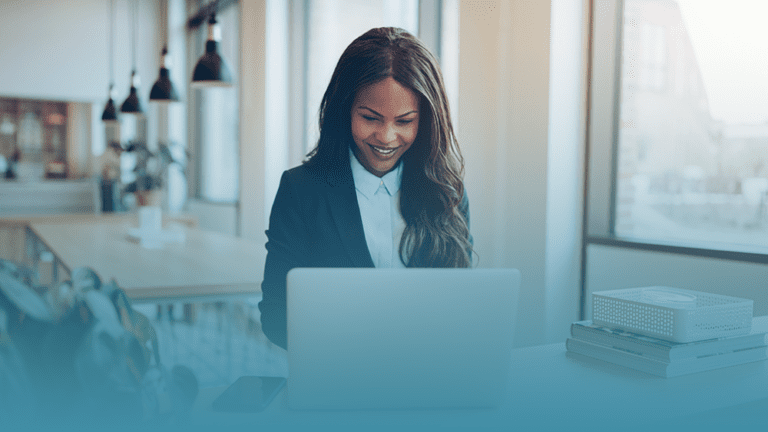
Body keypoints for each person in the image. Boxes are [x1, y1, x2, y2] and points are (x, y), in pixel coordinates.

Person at [259, 27, 473, 349]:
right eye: (370, 117)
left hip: (427, 375)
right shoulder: (300, 191)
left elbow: (465, 307)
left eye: (404, 121)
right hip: (337, 378)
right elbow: (275, 317)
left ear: (426, 121)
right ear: (344, 110)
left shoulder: (448, 193)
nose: (386, 137)